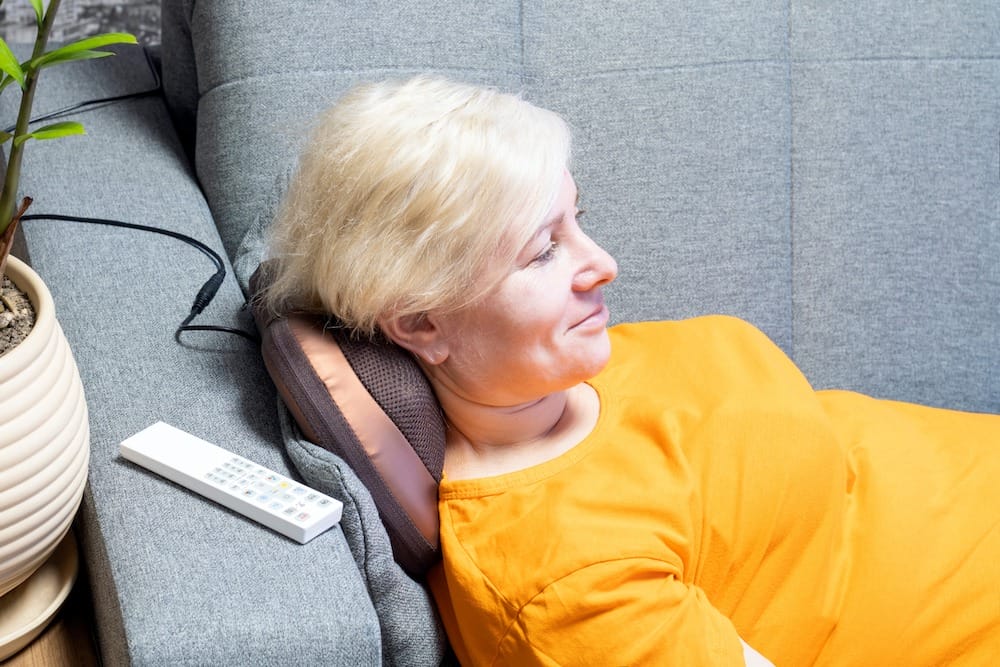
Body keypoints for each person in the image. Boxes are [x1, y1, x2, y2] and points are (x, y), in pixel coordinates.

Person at [262, 76, 1000, 666]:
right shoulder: (563, 584)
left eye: (577, 219)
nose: (603, 265)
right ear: (422, 321)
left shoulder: (550, 370)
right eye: (543, 250)